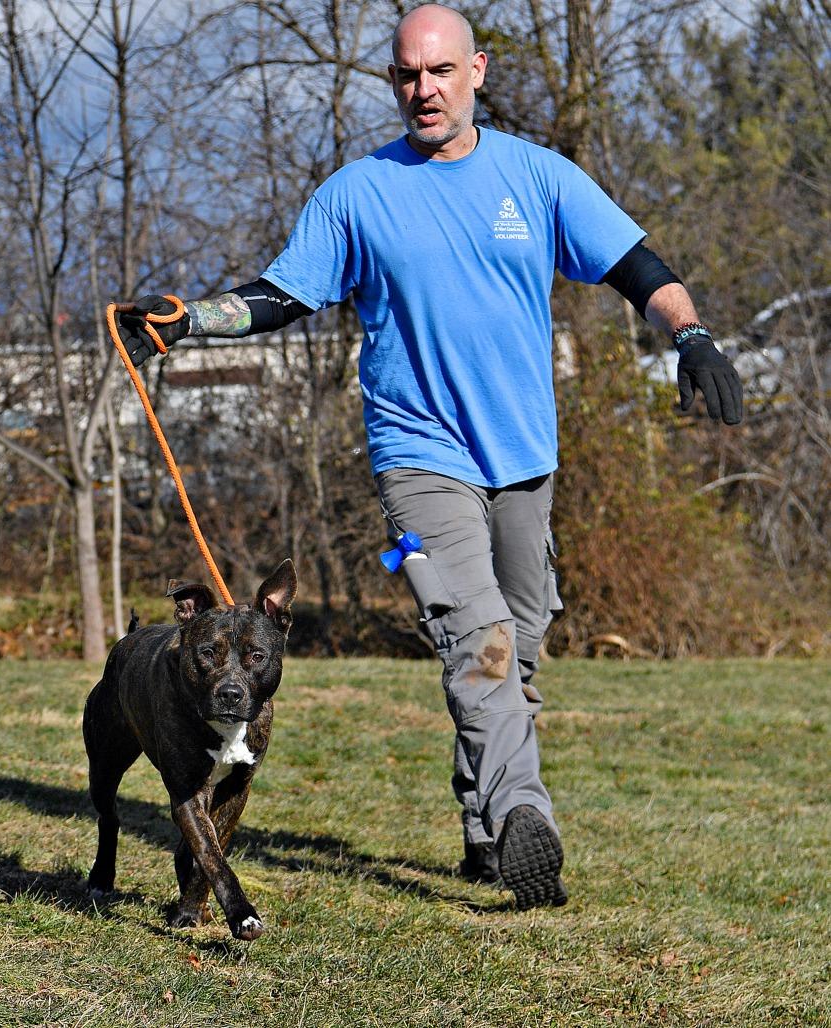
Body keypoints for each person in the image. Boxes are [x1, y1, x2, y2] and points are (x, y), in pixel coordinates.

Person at [114, 3, 743, 910]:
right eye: (407, 75)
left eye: (440, 71)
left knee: (517, 650)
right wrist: (193, 320)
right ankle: (527, 815)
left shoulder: (537, 176)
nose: (424, 90)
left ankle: (486, 826)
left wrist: (692, 337)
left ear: (476, 70)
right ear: (393, 82)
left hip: (524, 457)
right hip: (417, 458)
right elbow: (282, 296)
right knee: (474, 639)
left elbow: (639, 268)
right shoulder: (358, 194)